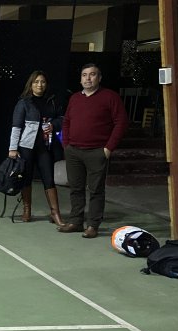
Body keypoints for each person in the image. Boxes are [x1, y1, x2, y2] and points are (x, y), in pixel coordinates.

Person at [57, 63, 128, 239]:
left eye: (92, 74)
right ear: (80, 79)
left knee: (96, 190)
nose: (88, 78)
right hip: (74, 151)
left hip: (97, 152)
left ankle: (92, 225)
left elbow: (121, 123)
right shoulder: (74, 98)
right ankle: (75, 221)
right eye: (84, 75)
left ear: (99, 77)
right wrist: (66, 145)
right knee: (75, 188)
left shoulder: (110, 97)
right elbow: (66, 122)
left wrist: (108, 148)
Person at [8, 71, 65, 225]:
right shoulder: (24, 103)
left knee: (49, 178)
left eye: (43, 82)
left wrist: (54, 125)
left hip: (45, 147)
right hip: (26, 147)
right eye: (36, 82)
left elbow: (62, 119)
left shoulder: (52, 101)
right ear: (31, 84)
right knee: (26, 178)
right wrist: (13, 149)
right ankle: (27, 210)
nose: (40, 85)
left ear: (46, 84)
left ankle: (55, 213)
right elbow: (16, 127)